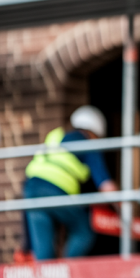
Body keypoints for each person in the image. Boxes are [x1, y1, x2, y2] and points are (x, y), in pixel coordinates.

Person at [23, 106, 118, 260]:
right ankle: (68, 269)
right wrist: (123, 208)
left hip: (31, 189)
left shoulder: (56, 137)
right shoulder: (87, 141)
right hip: (53, 190)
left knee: (44, 252)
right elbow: (106, 185)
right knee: (83, 231)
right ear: (95, 133)